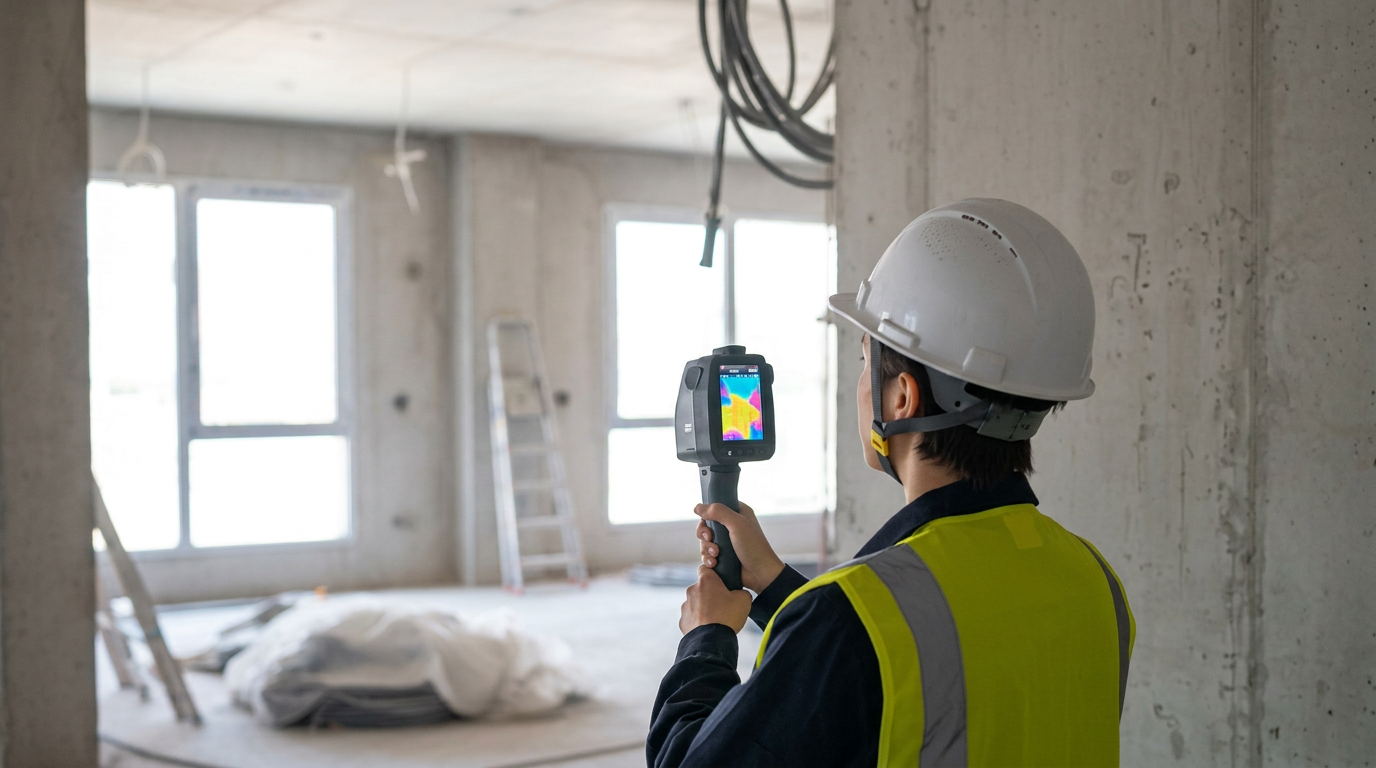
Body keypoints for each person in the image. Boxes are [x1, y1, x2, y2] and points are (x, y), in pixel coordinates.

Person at [647, 199, 1134, 767]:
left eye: (864, 361)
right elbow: (933, 676)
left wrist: (704, 642)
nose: (860, 384)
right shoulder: (1093, 579)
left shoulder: (849, 618)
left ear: (901, 396)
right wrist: (778, 587)